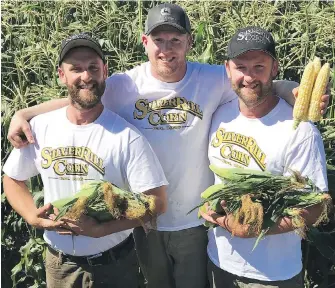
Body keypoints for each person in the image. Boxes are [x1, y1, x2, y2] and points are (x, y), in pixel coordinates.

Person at [5, 4, 330, 288]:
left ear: (190, 42)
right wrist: (25, 113)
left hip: (194, 221)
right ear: (145, 42)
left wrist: (292, 90)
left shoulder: (214, 79)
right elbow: (82, 96)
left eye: (176, 39)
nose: (167, 49)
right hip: (145, 221)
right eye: (159, 40)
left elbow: (254, 80)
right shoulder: (124, 85)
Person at [2, 32, 168, 288]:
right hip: (60, 266)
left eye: (93, 67)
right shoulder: (41, 128)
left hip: (115, 266)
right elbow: (13, 178)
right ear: (61, 75)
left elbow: (157, 203)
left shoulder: (126, 137)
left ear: (105, 71)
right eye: (76, 69)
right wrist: (32, 216)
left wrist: (102, 230)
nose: (86, 76)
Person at [201, 26, 328, 288]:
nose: (249, 77)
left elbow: (315, 208)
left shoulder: (301, 132)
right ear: (227, 69)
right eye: (241, 67)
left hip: (272, 276)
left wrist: (254, 229)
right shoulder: (218, 114)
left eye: (259, 66)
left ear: (275, 68)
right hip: (219, 263)